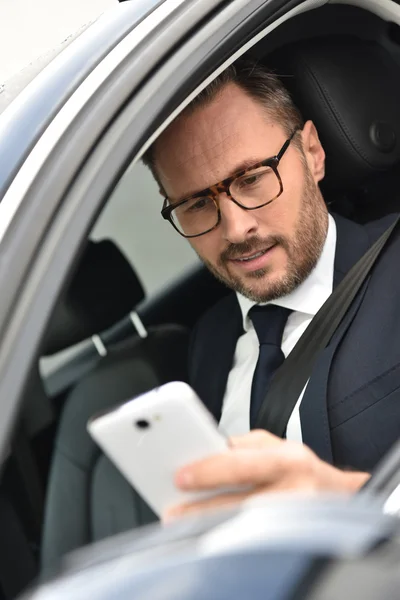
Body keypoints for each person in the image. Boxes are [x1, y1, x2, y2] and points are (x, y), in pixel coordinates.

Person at [142, 60, 400, 520]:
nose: (237, 229)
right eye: (199, 204)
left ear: (313, 152)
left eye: (252, 178)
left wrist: (353, 502)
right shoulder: (210, 338)